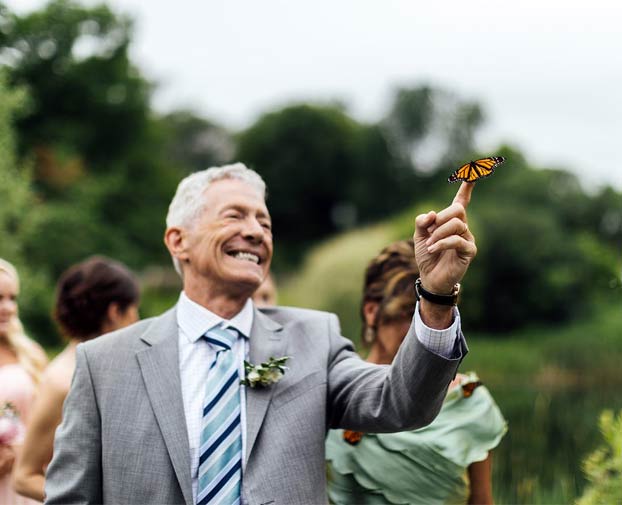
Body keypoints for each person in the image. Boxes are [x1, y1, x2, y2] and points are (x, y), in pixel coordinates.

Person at [45, 162, 477, 505]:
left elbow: (402, 404)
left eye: (264, 223)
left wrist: (436, 297)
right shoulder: (103, 363)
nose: (255, 231)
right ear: (178, 241)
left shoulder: (314, 337)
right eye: (234, 216)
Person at [326, 240, 507, 504]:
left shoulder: (470, 404)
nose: (422, 325)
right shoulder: (333, 388)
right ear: (372, 312)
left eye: (436, 310)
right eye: (409, 312)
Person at [13, 256, 140, 502]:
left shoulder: (117, 365)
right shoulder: (62, 379)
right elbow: (24, 476)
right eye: (135, 310)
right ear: (115, 312)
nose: (137, 320)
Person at [0, 259, 47, 505]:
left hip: (28, 484)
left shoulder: (30, 354)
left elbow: (53, 422)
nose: (8, 307)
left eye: (12, 298)